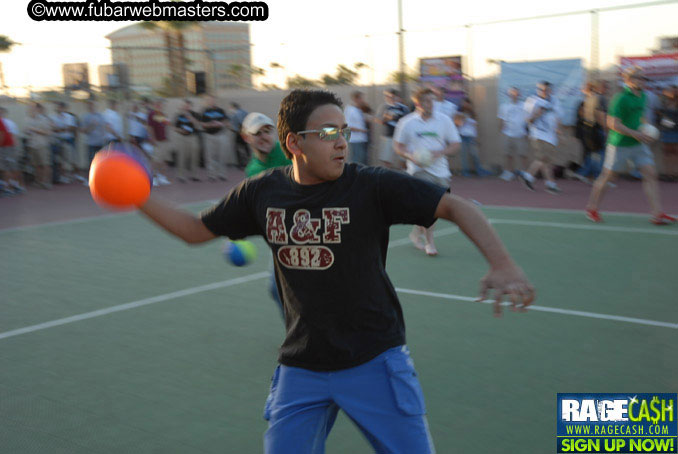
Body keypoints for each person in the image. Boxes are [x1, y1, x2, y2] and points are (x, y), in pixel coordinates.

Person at [137, 89, 534, 453]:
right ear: (294, 142)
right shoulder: (260, 192)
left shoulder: (370, 186)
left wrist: (503, 263)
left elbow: (457, 206)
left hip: (374, 360)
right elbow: (194, 231)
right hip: (302, 366)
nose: (342, 141)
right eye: (328, 132)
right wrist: (136, 195)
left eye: (344, 131)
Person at [585, 67, 676, 225]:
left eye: (643, 78)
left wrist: (647, 130)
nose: (641, 80)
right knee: (608, 177)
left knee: (650, 174)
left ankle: (657, 214)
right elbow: (612, 123)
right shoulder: (620, 98)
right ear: (628, 79)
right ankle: (592, 208)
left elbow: (640, 118)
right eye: (637, 78)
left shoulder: (643, 96)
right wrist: (636, 133)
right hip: (619, 144)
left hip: (638, 144)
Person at [394, 87, 461, 257]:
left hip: (441, 171)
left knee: (436, 208)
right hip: (418, 170)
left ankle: (416, 233)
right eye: (425, 100)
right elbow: (398, 146)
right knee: (429, 207)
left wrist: (440, 152)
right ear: (417, 102)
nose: (429, 104)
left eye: (432, 100)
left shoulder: (444, 120)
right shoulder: (407, 122)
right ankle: (430, 242)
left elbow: (455, 144)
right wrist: (410, 155)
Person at [241, 112, 292, 316]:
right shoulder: (252, 171)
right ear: (246, 137)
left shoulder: (290, 152)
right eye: (257, 133)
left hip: (310, 227)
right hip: (282, 238)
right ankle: (297, 336)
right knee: (276, 289)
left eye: (268, 131)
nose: (264, 136)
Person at [519, 81, 563, 194]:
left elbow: (558, 116)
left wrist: (558, 129)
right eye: (541, 89)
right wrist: (537, 114)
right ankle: (527, 176)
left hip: (551, 136)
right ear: (537, 90)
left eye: (546, 90)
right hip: (538, 134)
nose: (543, 92)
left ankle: (550, 184)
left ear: (550, 90)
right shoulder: (532, 101)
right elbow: (527, 120)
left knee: (547, 161)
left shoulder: (554, 101)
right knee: (543, 158)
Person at [574, 81, 608, 183]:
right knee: (600, 153)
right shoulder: (598, 99)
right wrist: (605, 129)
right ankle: (595, 175)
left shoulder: (587, 100)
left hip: (589, 129)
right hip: (595, 129)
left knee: (593, 153)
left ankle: (584, 172)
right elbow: (600, 115)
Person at [497, 87, 528, 181]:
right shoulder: (503, 106)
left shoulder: (524, 106)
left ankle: (524, 172)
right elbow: (501, 119)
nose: (513, 95)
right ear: (508, 95)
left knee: (522, 154)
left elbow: (528, 119)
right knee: (508, 154)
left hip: (521, 134)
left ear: (519, 95)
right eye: (511, 93)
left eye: (515, 93)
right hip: (507, 133)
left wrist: (528, 132)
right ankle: (508, 172)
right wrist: (501, 131)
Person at [455, 97, 491, 177]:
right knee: (464, 156)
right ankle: (465, 172)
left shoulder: (473, 113)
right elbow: (458, 124)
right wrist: (463, 118)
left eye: (466, 103)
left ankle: (479, 170)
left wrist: (477, 137)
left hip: (471, 137)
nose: (465, 105)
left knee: (475, 155)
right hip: (463, 136)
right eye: (463, 103)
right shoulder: (459, 113)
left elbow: (475, 125)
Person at [200, 95, 231, 181]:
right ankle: (212, 175)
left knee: (222, 155)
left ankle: (222, 174)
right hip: (209, 136)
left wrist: (220, 124)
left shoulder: (221, 110)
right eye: (209, 100)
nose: (211, 101)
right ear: (207, 101)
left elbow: (227, 122)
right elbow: (202, 124)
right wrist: (210, 124)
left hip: (220, 135)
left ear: (215, 101)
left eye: (213, 100)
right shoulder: (204, 111)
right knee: (210, 156)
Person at [376, 88, 409, 169]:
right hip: (388, 136)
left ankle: (403, 176)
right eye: (387, 96)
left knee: (403, 159)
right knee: (386, 160)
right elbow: (378, 120)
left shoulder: (404, 108)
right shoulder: (384, 107)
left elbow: (408, 121)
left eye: (391, 96)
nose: (389, 98)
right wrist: (388, 118)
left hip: (401, 138)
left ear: (397, 97)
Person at [25, 102, 53, 189]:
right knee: (36, 165)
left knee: (45, 164)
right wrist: (27, 132)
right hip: (33, 145)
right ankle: (39, 181)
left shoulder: (44, 119)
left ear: (38, 109)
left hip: (42, 144)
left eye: (33, 108)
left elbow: (48, 132)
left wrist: (35, 130)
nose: (31, 110)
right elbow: (26, 131)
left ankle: (46, 182)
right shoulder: (28, 119)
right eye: (30, 108)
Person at [173, 99, 201, 183]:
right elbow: (174, 127)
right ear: (183, 106)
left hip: (193, 137)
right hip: (182, 137)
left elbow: (198, 125)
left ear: (191, 106)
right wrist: (180, 131)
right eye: (185, 105)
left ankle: (194, 175)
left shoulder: (195, 114)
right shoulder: (178, 115)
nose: (186, 107)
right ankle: (181, 176)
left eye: (188, 105)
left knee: (194, 157)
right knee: (182, 156)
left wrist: (190, 117)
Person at [146, 99, 173, 185]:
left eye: (161, 104)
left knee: (164, 160)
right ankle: (153, 178)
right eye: (158, 104)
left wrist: (168, 137)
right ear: (155, 105)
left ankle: (162, 177)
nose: (160, 106)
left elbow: (167, 125)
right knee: (156, 161)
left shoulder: (161, 114)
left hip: (164, 140)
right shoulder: (152, 114)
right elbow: (150, 127)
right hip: (157, 141)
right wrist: (152, 139)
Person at [0, 107, 25, 195]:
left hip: (8, 148)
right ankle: (12, 186)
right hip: (6, 148)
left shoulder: (8, 123)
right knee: (6, 168)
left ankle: (13, 187)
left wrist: (15, 150)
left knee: (10, 168)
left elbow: (8, 136)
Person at [657, 85, 678, 180]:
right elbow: (660, 117)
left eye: (675, 91)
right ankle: (667, 173)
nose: (673, 92)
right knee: (666, 153)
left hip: (675, 131)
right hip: (666, 131)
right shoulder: (664, 102)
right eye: (671, 90)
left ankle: (674, 173)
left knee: (675, 153)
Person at [80, 99, 106, 173]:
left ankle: (99, 176)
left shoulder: (100, 116)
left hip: (100, 142)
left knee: (100, 161)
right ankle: (90, 178)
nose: (92, 106)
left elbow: (103, 128)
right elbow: (83, 131)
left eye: (93, 105)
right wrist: (91, 125)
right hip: (90, 143)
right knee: (91, 161)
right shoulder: (85, 117)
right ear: (88, 106)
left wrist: (103, 137)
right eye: (90, 105)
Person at [344, 90, 369, 165]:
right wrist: (362, 130)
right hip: (355, 140)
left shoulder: (359, 109)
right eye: (361, 98)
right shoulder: (349, 110)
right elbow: (347, 126)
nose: (362, 100)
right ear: (355, 99)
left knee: (362, 160)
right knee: (357, 161)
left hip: (362, 139)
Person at [230, 102, 250, 168]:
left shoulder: (236, 113)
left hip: (239, 133)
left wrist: (234, 129)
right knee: (246, 147)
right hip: (246, 133)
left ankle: (241, 164)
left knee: (237, 148)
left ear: (233, 107)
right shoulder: (245, 112)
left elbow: (237, 124)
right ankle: (249, 161)